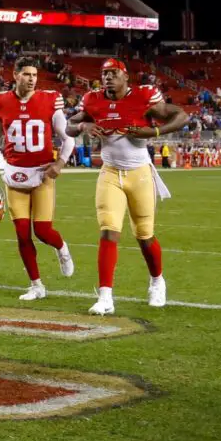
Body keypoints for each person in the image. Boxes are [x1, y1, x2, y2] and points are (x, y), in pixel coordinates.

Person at [66, 59, 188, 315]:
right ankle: (105, 296)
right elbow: (69, 127)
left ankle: (157, 281)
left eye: (113, 73)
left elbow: (181, 116)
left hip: (139, 172)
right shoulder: (92, 99)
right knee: (108, 230)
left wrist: (153, 133)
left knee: (144, 235)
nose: (108, 78)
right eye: (104, 73)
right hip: (110, 171)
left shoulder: (144, 96)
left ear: (125, 77)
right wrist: (83, 125)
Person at [0, 56, 74, 301]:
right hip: (14, 173)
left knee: (42, 231)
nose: (32, 79)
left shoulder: (49, 99)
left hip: (43, 172)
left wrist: (60, 163)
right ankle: (36, 285)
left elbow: (68, 138)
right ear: (15, 75)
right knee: (22, 233)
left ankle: (62, 248)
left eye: (34, 74)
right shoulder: (0, 101)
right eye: (26, 74)